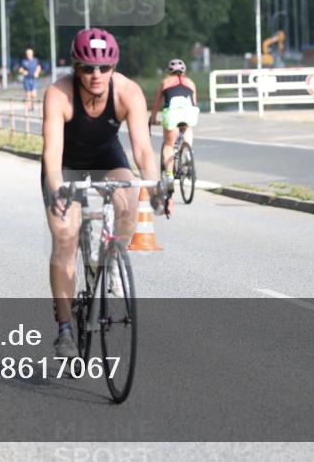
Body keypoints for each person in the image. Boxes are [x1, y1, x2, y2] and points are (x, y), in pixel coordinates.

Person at [41, 28, 168, 358]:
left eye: (104, 67)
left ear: (114, 67)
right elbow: (52, 152)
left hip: (105, 158)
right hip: (66, 165)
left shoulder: (128, 92)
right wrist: (57, 190)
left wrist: (155, 187)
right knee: (65, 237)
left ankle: (111, 262)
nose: (96, 75)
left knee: (129, 199)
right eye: (87, 68)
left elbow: (143, 150)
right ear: (75, 68)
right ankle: (65, 329)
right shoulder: (58, 94)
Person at [150, 59, 200, 177]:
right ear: (184, 71)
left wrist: (153, 119)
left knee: (169, 145)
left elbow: (156, 104)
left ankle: (169, 176)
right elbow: (194, 103)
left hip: (172, 114)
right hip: (188, 113)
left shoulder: (165, 82)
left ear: (168, 71)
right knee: (187, 127)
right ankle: (187, 151)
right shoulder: (191, 82)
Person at [18, 47, 42, 112]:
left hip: (33, 79)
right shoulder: (24, 61)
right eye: (27, 53)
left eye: (30, 53)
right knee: (28, 95)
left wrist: (37, 72)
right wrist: (23, 71)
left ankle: (32, 105)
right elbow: (20, 69)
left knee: (34, 95)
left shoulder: (36, 60)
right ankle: (28, 108)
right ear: (26, 54)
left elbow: (39, 67)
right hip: (27, 80)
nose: (29, 54)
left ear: (32, 53)